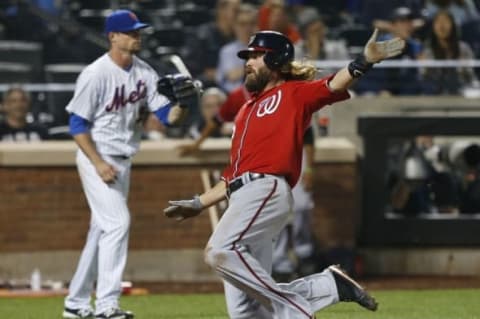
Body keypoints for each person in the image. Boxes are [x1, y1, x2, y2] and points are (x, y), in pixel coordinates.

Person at [164, 30, 404, 318]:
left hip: (265, 189)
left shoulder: (292, 93)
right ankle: (327, 286)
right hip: (243, 196)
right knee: (244, 312)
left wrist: (364, 61)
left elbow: (332, 84)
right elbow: (232, 176)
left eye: (256, 55)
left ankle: (295, 309)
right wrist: (199, 203)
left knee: (219, 251)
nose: (248, 62)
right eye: (247, 56)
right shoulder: (244, 111)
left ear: (276, 59)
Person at [62, 10, 196, 319]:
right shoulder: (96, 73)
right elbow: (77, 124)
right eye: (131, 32)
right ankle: (108, 306)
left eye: (138, 32)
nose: (137, 36)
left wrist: (184, 104)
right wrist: (97, 163)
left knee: (101, 231)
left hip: (123, 159)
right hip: (97, 155)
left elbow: (167, 119)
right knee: (118, 223)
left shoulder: (145, 72)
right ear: (113, 36)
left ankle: (75, 303)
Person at [421, 10, 478, 94]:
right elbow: (424, 77)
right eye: (438, 21)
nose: (441, 25)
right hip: (434, 93)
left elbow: (470, 77)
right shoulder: (427, 50)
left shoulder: (463, 48)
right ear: (433, 27)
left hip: (461, 91)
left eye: (445, 21)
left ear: (452, 25)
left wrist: (464, 68)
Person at [216, 3, 258, 93]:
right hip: (233, 97)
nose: (247, 28)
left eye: (251, 23)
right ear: (234, 26)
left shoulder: (264, 49)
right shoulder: (227, 51)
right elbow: (232, 75)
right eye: (242, 24)